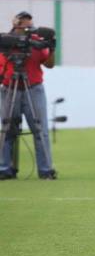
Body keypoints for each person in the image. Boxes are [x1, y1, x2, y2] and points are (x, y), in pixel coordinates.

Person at [0, 11, 57, 180]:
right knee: (7, 128)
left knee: (40, 130)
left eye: (31, 27)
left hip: (33, 88)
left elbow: (49, 64)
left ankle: (45, 169)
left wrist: (51, 49)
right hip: (10, 88)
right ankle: (4, 168)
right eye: (26, 27)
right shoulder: (5, 42)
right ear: (16, 25)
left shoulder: (37, 42)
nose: (30, 30)